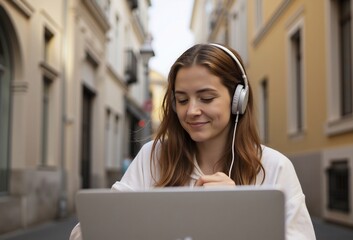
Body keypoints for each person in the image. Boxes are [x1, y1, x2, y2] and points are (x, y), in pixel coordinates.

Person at [70, 43, 316, 239]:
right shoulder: (153, 156)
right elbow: (85, 232)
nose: (191, 111)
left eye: (206, 98)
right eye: (182, 100)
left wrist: (240, 213)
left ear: (237, 101)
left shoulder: (275, 167)